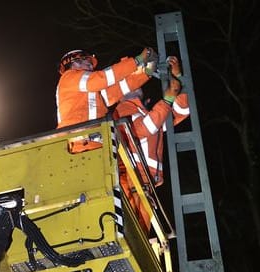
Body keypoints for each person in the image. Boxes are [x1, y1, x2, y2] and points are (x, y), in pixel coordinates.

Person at [114, 56, 190, 232]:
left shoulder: (144, 111)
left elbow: (181, 112)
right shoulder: (122, 110)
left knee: (138, 238)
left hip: (143, 185)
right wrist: (168, 100)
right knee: (132, 236)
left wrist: (177, 77)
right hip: (130, 181)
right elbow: (143, 128)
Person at [56, 47, 157, 130]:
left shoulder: (91, 91)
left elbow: (120, 88)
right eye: (86, 61)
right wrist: (137, 60)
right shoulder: (68, 77)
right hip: (76, 138)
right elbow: (103, 78)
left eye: (90, 62)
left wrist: (147, 71)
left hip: (89, 140)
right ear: (73, 63)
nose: (90, 65)